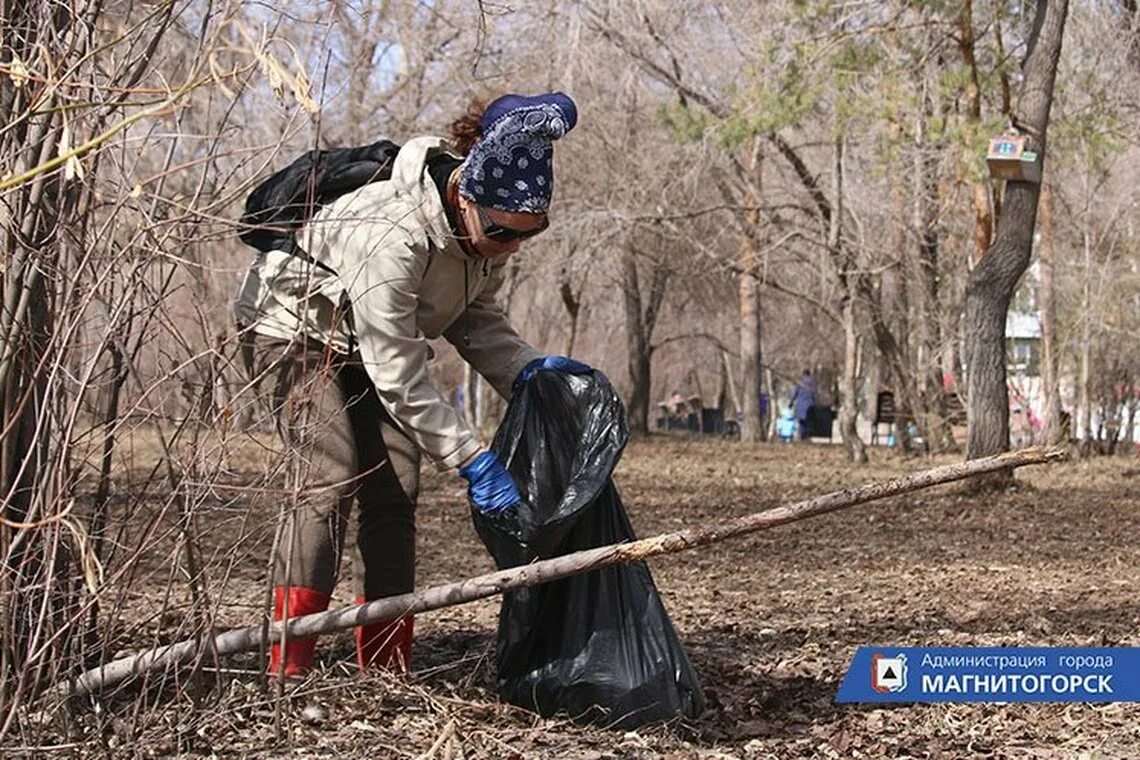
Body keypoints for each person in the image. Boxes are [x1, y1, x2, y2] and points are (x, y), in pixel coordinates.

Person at [234, 92, 588, 678]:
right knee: (330, 474)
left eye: (528, 234)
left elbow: (476, 320)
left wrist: (528, 369)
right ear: (467, 197)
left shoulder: (488, 237)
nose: (511, 246)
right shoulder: (392, 232)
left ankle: (385, 665)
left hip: (366, 341)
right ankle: (287, 661)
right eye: (503, 232)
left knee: (397, 487)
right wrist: (472, 458)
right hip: (289, 331)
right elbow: (397, 370)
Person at [789, 369, 818, 441]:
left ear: (803, 374)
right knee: (808, 422)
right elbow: (815, 394)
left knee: (801, 422)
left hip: (800, 406)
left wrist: (791, 403)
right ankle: (807, 437)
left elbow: (794, 394)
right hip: (810, 406)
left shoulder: (799, 382)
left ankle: (802, 437)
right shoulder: (813, 382)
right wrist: (816, 403)